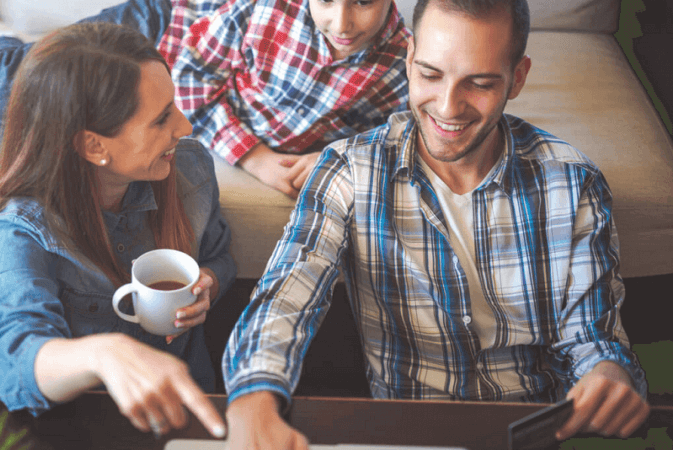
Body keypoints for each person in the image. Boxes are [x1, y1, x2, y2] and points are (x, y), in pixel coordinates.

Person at [221, 0, 650, 448]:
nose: (447, 108)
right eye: (429, 75)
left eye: (480, 84)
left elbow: (592, 336)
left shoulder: (573, 181)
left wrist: (609, 374)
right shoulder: (349, 170)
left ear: (518, 78)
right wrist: (253, 392)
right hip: (408, 434)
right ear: (408, 60)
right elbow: (286, 295)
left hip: (537, 432)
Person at [0, 22, 235, 439]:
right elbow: (15, 367)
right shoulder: (20, 229)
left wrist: (210, 282)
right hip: (85, 427)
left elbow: (220, 258)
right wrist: (105, 353)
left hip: (190, 410)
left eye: (174, 106)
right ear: (95, 146)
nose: (185, 127)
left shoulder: (190, 169)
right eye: (161, 120)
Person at [0, 0, 411, 198]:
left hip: (157, 90)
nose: (343, 23)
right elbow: (196, 77)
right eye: (327, 1)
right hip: (158, 29)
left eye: (363, 1)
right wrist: (256, 157)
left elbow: (393, 137)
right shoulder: (267, 11)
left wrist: (336, 156)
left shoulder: (400, 64)